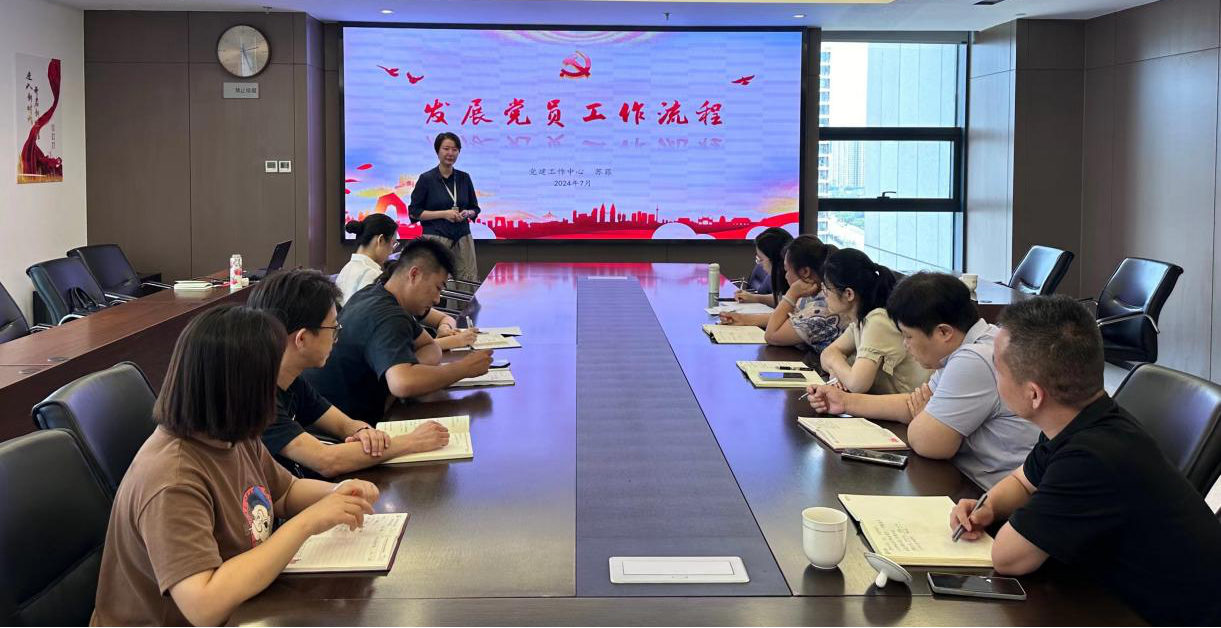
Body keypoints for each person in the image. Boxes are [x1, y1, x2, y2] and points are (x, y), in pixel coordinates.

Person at [90, 305, 381, 627]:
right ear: (240, 389)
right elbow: (204, 606)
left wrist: (338, 494)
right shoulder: (172, 479)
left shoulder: (233, 434)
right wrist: (306, 524)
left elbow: (285, 492)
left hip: (246, 607)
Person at [949, 295, 1221, 627]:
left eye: (999, 369)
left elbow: (1008, 558)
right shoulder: (1079, 418)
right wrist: (989, 507)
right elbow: (1022, 481)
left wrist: (1026, 521)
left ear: (1034, 394)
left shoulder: (1091, 458)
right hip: (1112, 594)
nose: (994, 375)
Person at [808, 273, 1039, 488]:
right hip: (973, 481)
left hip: (990, 492)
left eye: (908, 336)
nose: (905, 345)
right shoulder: (976, 340)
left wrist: (924, 415)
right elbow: (913, 403)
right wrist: (845, 402)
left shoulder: (973, 359)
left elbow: (928, 443)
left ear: (943, 332)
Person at [247, 269, 451, 478]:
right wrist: (412, 442)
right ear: (302, 339)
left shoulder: (291, 380)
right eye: (333, 329)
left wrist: (364, 433)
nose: (336, 339)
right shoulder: (256, 399)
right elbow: (326, 460)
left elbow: (344, 424)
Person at [304, 238, 492, 422]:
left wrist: (404, 375)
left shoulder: (374, 293)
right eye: (437, 288)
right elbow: (403, 384)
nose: (437, 299)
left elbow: (430, 347)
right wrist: (463, 368)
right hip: (341, 425)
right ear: (414, 274)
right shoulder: (388, 316)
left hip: (329, 412)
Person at [337, 213, 477, 351]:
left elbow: (441, 320)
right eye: (393, 243)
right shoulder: (374, 280)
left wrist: (445, 328)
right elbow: (398, 346)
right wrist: (454, 341)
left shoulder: (346, 270)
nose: (436, 299)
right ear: (381, 240)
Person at [817, 248, 929, 394]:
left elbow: (857, 384)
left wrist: (834, 363)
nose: (823, 295)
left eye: (826, 289)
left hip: (908, 404)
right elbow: (827, 353)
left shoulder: (878, 321)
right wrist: (836, 372)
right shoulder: (860, 319)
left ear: (849, 294)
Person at [409, 131, 480, 283]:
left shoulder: (464, 178)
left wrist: (468, 213)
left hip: (463, 238)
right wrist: (444, 214)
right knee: (437, 282)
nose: (450, 153)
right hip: (436, 239)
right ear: (437, 151)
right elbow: (414, 212)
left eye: (455, 149)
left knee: (467, 281)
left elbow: (475, 208)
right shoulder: (426, 179)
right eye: (446, 148)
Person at [758, 234, 842, 354]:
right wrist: (743, 319)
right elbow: (785, 318)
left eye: (787, 270)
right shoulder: (812, 295)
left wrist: (791, 294)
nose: (786, 276)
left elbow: (771, 335)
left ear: (805, 272)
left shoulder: (820, 309)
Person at [720, 227, 793, 328]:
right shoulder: (783, 277)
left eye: (761, 259)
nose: (759, 264)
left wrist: (743, 319)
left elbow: (789, 318)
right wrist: (755, 298)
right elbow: (784, 299)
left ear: (777, 260)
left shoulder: (795, 280)